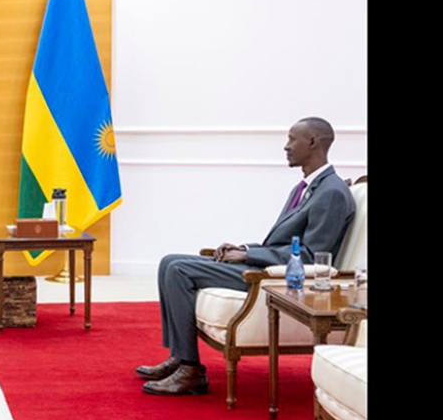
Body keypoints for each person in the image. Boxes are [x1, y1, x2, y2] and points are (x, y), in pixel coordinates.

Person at [137, 117, 355, 395]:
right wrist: (243, 249)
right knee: (169, 261)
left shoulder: (332, 192)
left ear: (313, 142)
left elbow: (311, 257)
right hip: (267, 263)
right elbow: (284, 241)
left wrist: (249, 256)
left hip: (277, 279)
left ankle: (191, 370)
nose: (286, 146)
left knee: (179, 270)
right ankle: (179, 356)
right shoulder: (307, 187)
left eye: (292, 139)